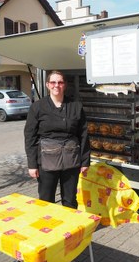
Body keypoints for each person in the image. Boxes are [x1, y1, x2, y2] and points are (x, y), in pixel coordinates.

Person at [24, 70, 90, 208]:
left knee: (70, 199)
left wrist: (85, 161)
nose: (56, 85)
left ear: (64, 85)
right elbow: (30, 136)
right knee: (46, 199)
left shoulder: (76, 106)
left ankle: (70, 227)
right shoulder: (37, 107)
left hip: (71, 159)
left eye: (60, 82)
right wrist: (32, 164)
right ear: (47, 85)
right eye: (53, 82)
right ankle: (48, 227)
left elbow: (83, 134)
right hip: (47, 160)